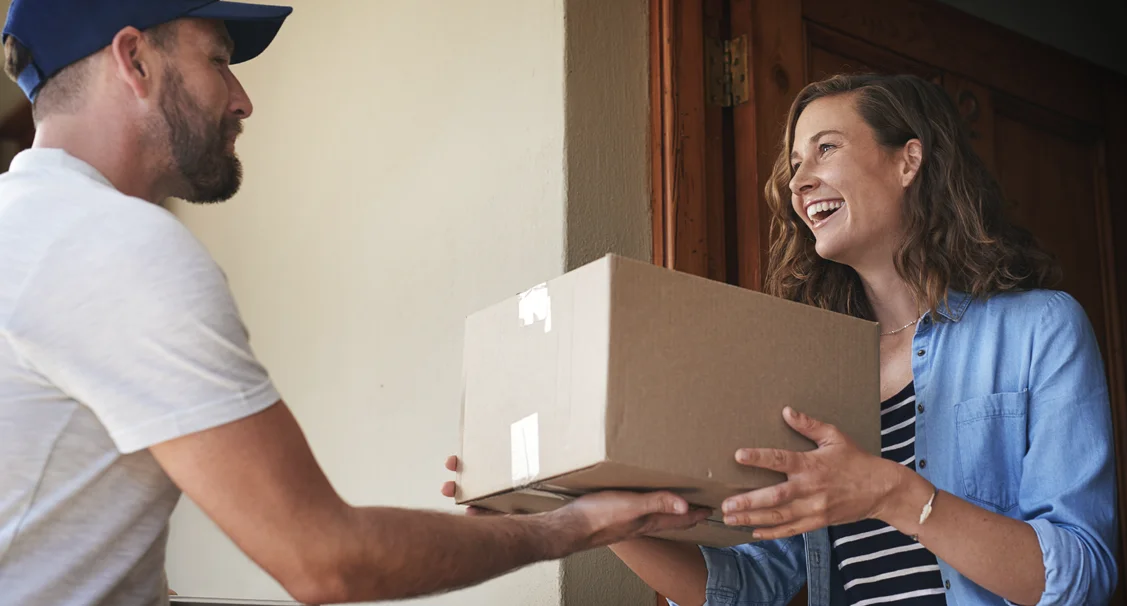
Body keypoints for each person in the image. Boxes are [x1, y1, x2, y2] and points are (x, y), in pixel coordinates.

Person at [0, 1, 708, 604]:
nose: (242, 97)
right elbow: (325, 559)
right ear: (136, 61)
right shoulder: (115, 246)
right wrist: (574, 526)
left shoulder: (28, 230)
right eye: (217, 59)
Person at [513, 74, 1117, 605]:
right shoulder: (809, 374)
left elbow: (1079, 577)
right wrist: (594, 518)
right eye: (795, 164)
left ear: (909, 160)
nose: (800, 181)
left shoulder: (1041, 330)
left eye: (825, 148)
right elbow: (746, 589)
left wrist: (891, 493)